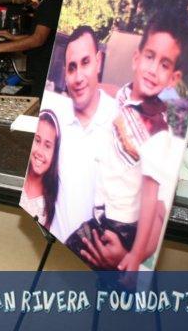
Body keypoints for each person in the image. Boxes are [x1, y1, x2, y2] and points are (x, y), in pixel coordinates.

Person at [66, 15, 181, 271]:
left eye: (164, 64)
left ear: (172, 78)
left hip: (121, 226)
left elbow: (152, 201)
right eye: (149, 57)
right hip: (103, 211)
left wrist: (134, 256)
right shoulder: (125, 94)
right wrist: (89, 86)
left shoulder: (158, 133)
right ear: (136, 59)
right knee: (70, 251)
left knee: (82, 261)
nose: (153, 69)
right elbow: (113, 94)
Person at [45, 26, 118, 243]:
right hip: (53, 243)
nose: (78, 77)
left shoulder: (120, 123)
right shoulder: (55, 115)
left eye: (85, 62)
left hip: (98, 255)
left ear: (99, 61)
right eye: (71, 67)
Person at [20, 110, 60, 229]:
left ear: (54, 154)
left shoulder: (51, 202)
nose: (40, 152)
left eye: (47, 146)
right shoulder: (18, 175)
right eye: (37, 140)